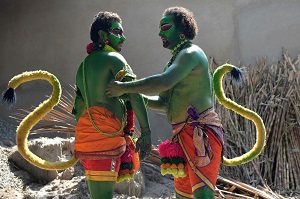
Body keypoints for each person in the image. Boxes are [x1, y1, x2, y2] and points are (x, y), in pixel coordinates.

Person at [106, 6, 224, 199]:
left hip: (200, 135)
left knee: (202, 193)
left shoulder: (190, 53)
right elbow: (163, 103)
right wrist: (138, 98)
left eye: (166, 27)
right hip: (181, 136)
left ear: (182, 31)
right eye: (160, 28)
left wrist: (125, 87)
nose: (160, 32)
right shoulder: (174, 61)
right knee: (183, 195)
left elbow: (164, 81)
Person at [72, 11, 151, 199]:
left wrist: (90, 133)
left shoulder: (82, 66)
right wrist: (146, 132)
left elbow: (79, 109)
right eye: (118, 32)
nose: (123, 37)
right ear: (102, 35)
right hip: (106, 137)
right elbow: (135, 93)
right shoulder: (115, 59)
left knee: (98, 195)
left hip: (87, 138)